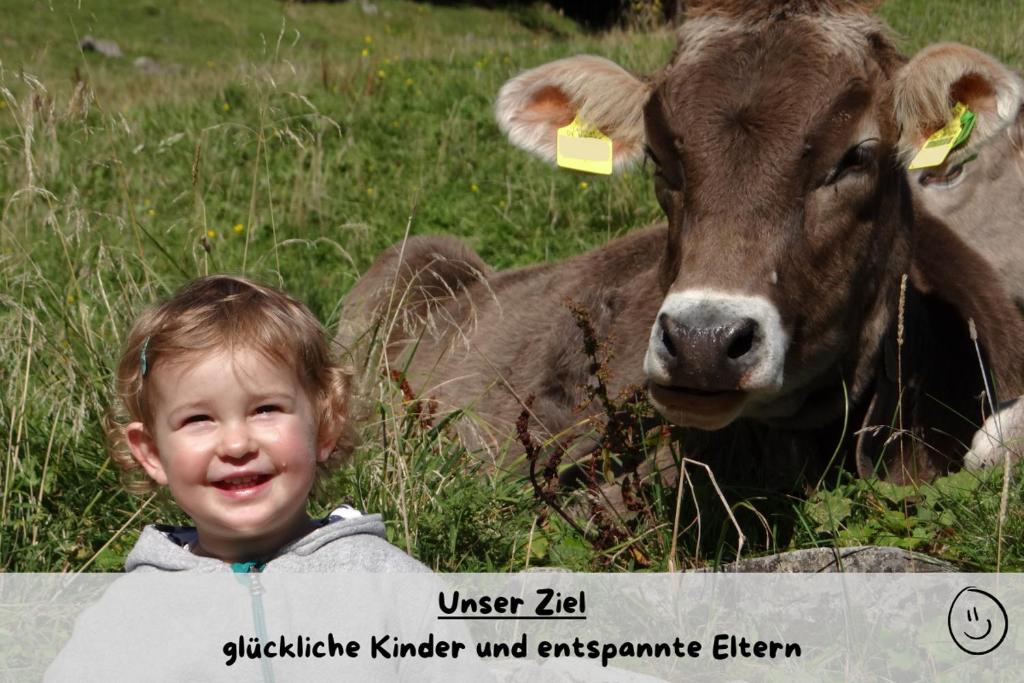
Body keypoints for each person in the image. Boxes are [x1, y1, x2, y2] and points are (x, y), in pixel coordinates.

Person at [107, 274, 427, 573]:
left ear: (325, 426)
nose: (236, 445)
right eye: (198, 418)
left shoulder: (379, 578)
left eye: (264, 410)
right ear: (152, 452)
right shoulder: (137, 608)